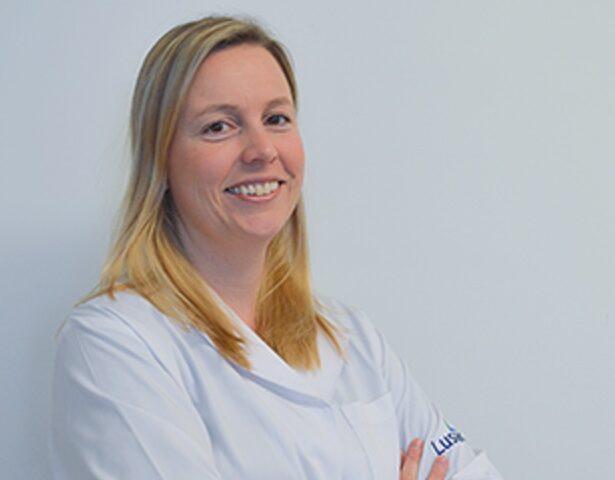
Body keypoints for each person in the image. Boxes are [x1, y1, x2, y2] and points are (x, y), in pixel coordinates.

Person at [50, 15, 505, 479]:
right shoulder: (115, 343)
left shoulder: (351, 337)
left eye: (276, 119)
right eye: (219, 126)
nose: (262, 150)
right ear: (160, 160)